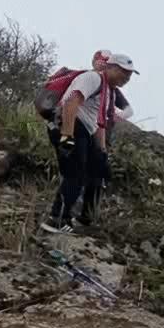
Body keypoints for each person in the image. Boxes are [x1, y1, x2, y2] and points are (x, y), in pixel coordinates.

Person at [39, 52, 139, 234]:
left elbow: (99, 123)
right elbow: (71, 102)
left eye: (130, 75)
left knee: (98, 172)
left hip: (85, 130)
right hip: (71, 125)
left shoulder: (109, 91)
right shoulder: (93, 78)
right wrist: (67, 136)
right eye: (124, 73)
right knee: (75, 173)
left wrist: (101, 151)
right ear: (112, 68)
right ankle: (57, 219)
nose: (127, 78)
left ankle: (84, 216)